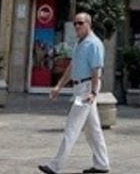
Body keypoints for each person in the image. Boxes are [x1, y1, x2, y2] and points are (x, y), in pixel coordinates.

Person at [40, 12, 108, 174]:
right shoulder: (79, 43)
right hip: (80, 86)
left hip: (86, 88)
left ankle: (55, 165)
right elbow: (72, 67)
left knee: (72, 127)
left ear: (88, 24)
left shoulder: (94, 44)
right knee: (93, 130)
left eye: (80, 23)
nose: (76, 26)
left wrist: (93, 92)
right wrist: (59, 86)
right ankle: (102, 164)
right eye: (75, 23)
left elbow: (96, 70)